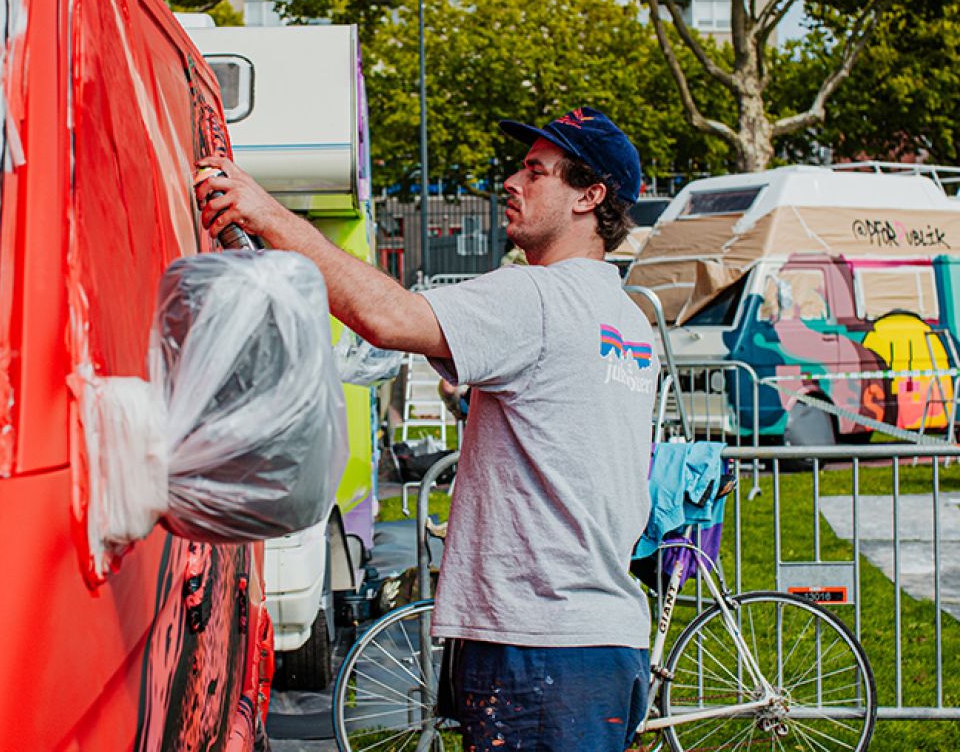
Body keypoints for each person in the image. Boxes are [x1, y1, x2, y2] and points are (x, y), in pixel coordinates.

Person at [197, 106, 657, 751]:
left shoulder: (538, 297)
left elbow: (389, 316)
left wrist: (266, 214)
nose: (512, 183)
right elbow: (569, 429)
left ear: (591, 195)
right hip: (599, 638)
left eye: (536, 171)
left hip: (540, 642)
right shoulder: (627, 321)